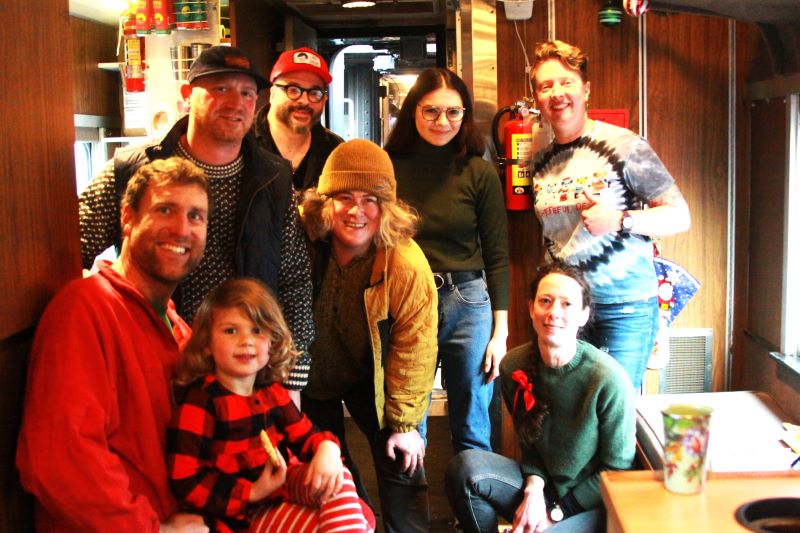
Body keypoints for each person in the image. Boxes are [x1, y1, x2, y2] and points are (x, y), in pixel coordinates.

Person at [78, 45, 314, 391]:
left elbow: (295, 280)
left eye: (247, 93)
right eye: (221, 88)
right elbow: (69, 250)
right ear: (187, 95)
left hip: (245, 374)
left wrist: (292, 378)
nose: (235, 103)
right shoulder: (132, 169)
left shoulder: (274, 179)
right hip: (156, 368)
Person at [16, 157, 211, 532]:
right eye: (165, 210)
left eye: (196, 216)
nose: (181, 229)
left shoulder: (177, 328)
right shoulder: (84, 308)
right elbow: (58, 459)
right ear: (128, 218)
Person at [527, 40, 691, 391]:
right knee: (567, 405)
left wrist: (620, 219)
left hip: (624, 308)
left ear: (585, 89)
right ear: (537, 98)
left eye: (566, 82)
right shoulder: (538, 161)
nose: (557, 93)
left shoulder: (625, 145)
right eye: (546, 86)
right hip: (566, 309)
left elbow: (679, 216)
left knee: (615, 407)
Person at [300, 139, 438, 533]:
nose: (356, 210)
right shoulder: (304, 243)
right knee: (332, 477)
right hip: (314, 379)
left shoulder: (405, 264)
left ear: (387, 208)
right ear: (325, 202)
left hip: (376, 379)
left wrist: (405, 423)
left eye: (370, 200)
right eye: (344, 197)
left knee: (402, 463)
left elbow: (416, 348)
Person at [167, 278, 374, 533]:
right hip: (242, 513)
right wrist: (252, 492)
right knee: (352, 525)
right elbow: (185, 478)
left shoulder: (271, 392)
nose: (246, 340)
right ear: (207, 344)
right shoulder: (201, 400)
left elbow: (305, 435)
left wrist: (327, 449)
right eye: (231, 330)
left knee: (338, 475)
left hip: (282, 488)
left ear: (272, 341)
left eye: (257, 330)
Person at [445, 262, 635, 533]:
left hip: (591, 504)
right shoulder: (514, 366)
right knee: (465, 468)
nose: (554, 312)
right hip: (544, 489)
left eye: (567, 304)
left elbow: (616, 470)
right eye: (545, 301)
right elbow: (530, 444)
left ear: (584, 315)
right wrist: (534, 487)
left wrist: (555, 513)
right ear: (531, 308)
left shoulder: (608, 379)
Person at [384, 68, 510, 453]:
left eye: (453, 112)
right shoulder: (387, 167)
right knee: (407, 421)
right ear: (413, 111)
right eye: (431, 111)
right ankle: (415, 496)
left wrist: (500, 333)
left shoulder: (479, 171)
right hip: (406, 299)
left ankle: (473, 495)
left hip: (468, 302)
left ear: (465, 115)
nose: (443, 121)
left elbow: (497, 256)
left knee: (472, 424)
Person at [254, 47, 343, 191]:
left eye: (314, 93)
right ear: (273, 93)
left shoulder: (336, 150)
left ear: (324, 100)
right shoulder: (242, 143)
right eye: (293, 90)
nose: (304, 101)